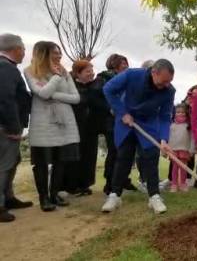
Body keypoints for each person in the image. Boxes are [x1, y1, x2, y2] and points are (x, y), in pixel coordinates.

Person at [101, 59, 175, 214]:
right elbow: (108, 89)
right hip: (127, 121)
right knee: (123, 158)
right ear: (154, 72)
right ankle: (115, 195)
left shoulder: (169, 91)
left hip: (148, 124)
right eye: (163, 81)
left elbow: (164, 116)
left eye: (169, 82)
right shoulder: (131, 75)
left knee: (151, 159)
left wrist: (163, 139)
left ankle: (154, 196)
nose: (166, 85)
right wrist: (122, 112)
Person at [24, 41, 81, 211]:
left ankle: (54, 194)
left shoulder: (65, 72)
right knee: (41, 162)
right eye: (55, 53)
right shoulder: (30, 71)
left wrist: (52, 94)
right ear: (43, 54)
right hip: (43, 123)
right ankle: (44, 198)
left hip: (64, 122)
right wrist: (55, 79)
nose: (59, 56)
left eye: (59, 53)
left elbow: (76, 98)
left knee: (60, 160)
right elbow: (42, 93)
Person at [0, 33, 32, 222]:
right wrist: (13, 127)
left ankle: (8, 197)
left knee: (13, 161)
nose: (24, 53)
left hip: (5, 124)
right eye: (23, 49)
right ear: (16, 49)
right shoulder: (6, 68)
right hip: (5, 126)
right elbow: (5, 99)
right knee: (4, 165)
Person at [95, 54, 137, 194]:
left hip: (126, 121)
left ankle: (123, 180)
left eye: (126, 62)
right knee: (114, 152)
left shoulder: (129, 80)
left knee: (127, 152)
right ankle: (109, 183)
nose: (125, 65)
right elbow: (98, 98)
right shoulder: (103, 78)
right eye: (121, 63)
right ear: (113, 64)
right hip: (111, 122)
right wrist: (110, 108)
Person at [65, 60, 98, 196]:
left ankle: (85, 184)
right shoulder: (71, 87)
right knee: (74, 157)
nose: (91, 73)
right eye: (87, 71)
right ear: (78, 73)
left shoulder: (95, 86)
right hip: (75, 127)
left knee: (89, 156)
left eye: (92, 70)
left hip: (90, 127)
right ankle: (71, 186)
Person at [168, 104, 195, 192]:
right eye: (178, 112)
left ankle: (183, 183)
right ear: (174, 113)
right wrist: (168, 150)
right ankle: (174, 184)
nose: (180, 114)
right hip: (174, 150)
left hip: (184, 150)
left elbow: (192, 138)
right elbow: (169, 138)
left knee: (183, 168)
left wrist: (191, 149)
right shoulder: (172, 126)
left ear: (186, 113)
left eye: (182, 112)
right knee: (175, 168)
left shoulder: (188, 126)